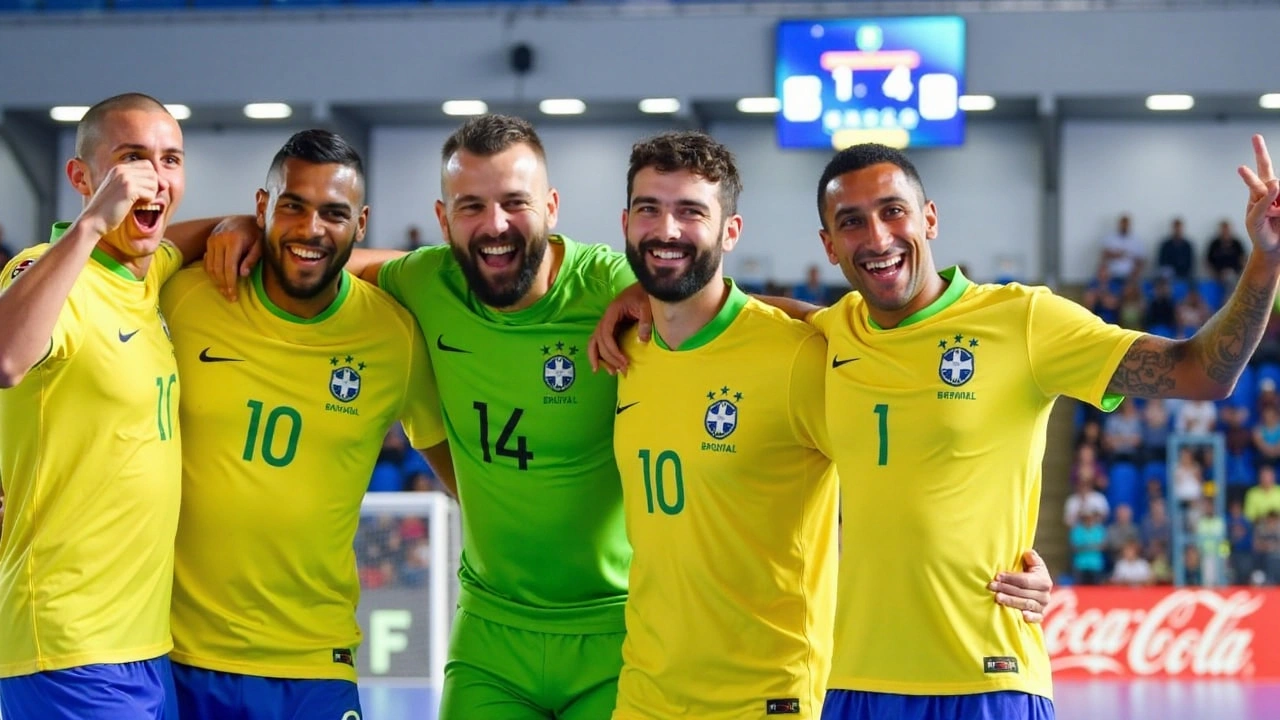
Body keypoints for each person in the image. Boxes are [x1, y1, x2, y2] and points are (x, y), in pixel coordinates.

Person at [196, 114, 1055, 719]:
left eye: (515, 203)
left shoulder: (627, 281)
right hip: (491, 630)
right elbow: (324, 251)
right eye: (471, 208)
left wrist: (991, 545)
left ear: (556, 210)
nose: (495, 225)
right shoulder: (424, 284)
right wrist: (243, 221)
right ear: (442, 221)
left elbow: (753, 322)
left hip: (619, 634)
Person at [595, 135, 1280, 719]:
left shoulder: (1024, 322)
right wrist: (646, 293)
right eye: (852, 223)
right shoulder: (832, 334)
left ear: (929, 218)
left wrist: (1265, 260)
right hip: (855, 684)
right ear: (830, 246)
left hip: (985, 679)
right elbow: (744, 311)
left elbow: (1200, 373)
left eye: (893, 213)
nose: (878, 237)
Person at [159, 129, 451, 719]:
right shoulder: (186, 296)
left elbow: (464, 477)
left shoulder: (394, 335)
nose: (311, 228)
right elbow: (100, 266)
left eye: (333, 213)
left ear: (361, 222)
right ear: (261, 206)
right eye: (292, 205)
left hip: (314, 663)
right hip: (176, 654)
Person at [610, 131, 838, 719]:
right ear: (626, 223)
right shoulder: (623, 350)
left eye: (691, 212)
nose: (667, 230)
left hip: (766, 697)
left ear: (730, 232)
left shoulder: (795, 356)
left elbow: (900, 470)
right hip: (644, 694)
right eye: (649, 210)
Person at [0, 93, 199, 720]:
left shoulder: (148, 272)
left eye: (170, 160)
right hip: (65, 644)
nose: (154, 177)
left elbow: (192, 239)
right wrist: (89, 223)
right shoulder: (43, 270)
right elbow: (5, 359)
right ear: (82, 177)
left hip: (145, 644)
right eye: (132, 158)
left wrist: (237, 228)